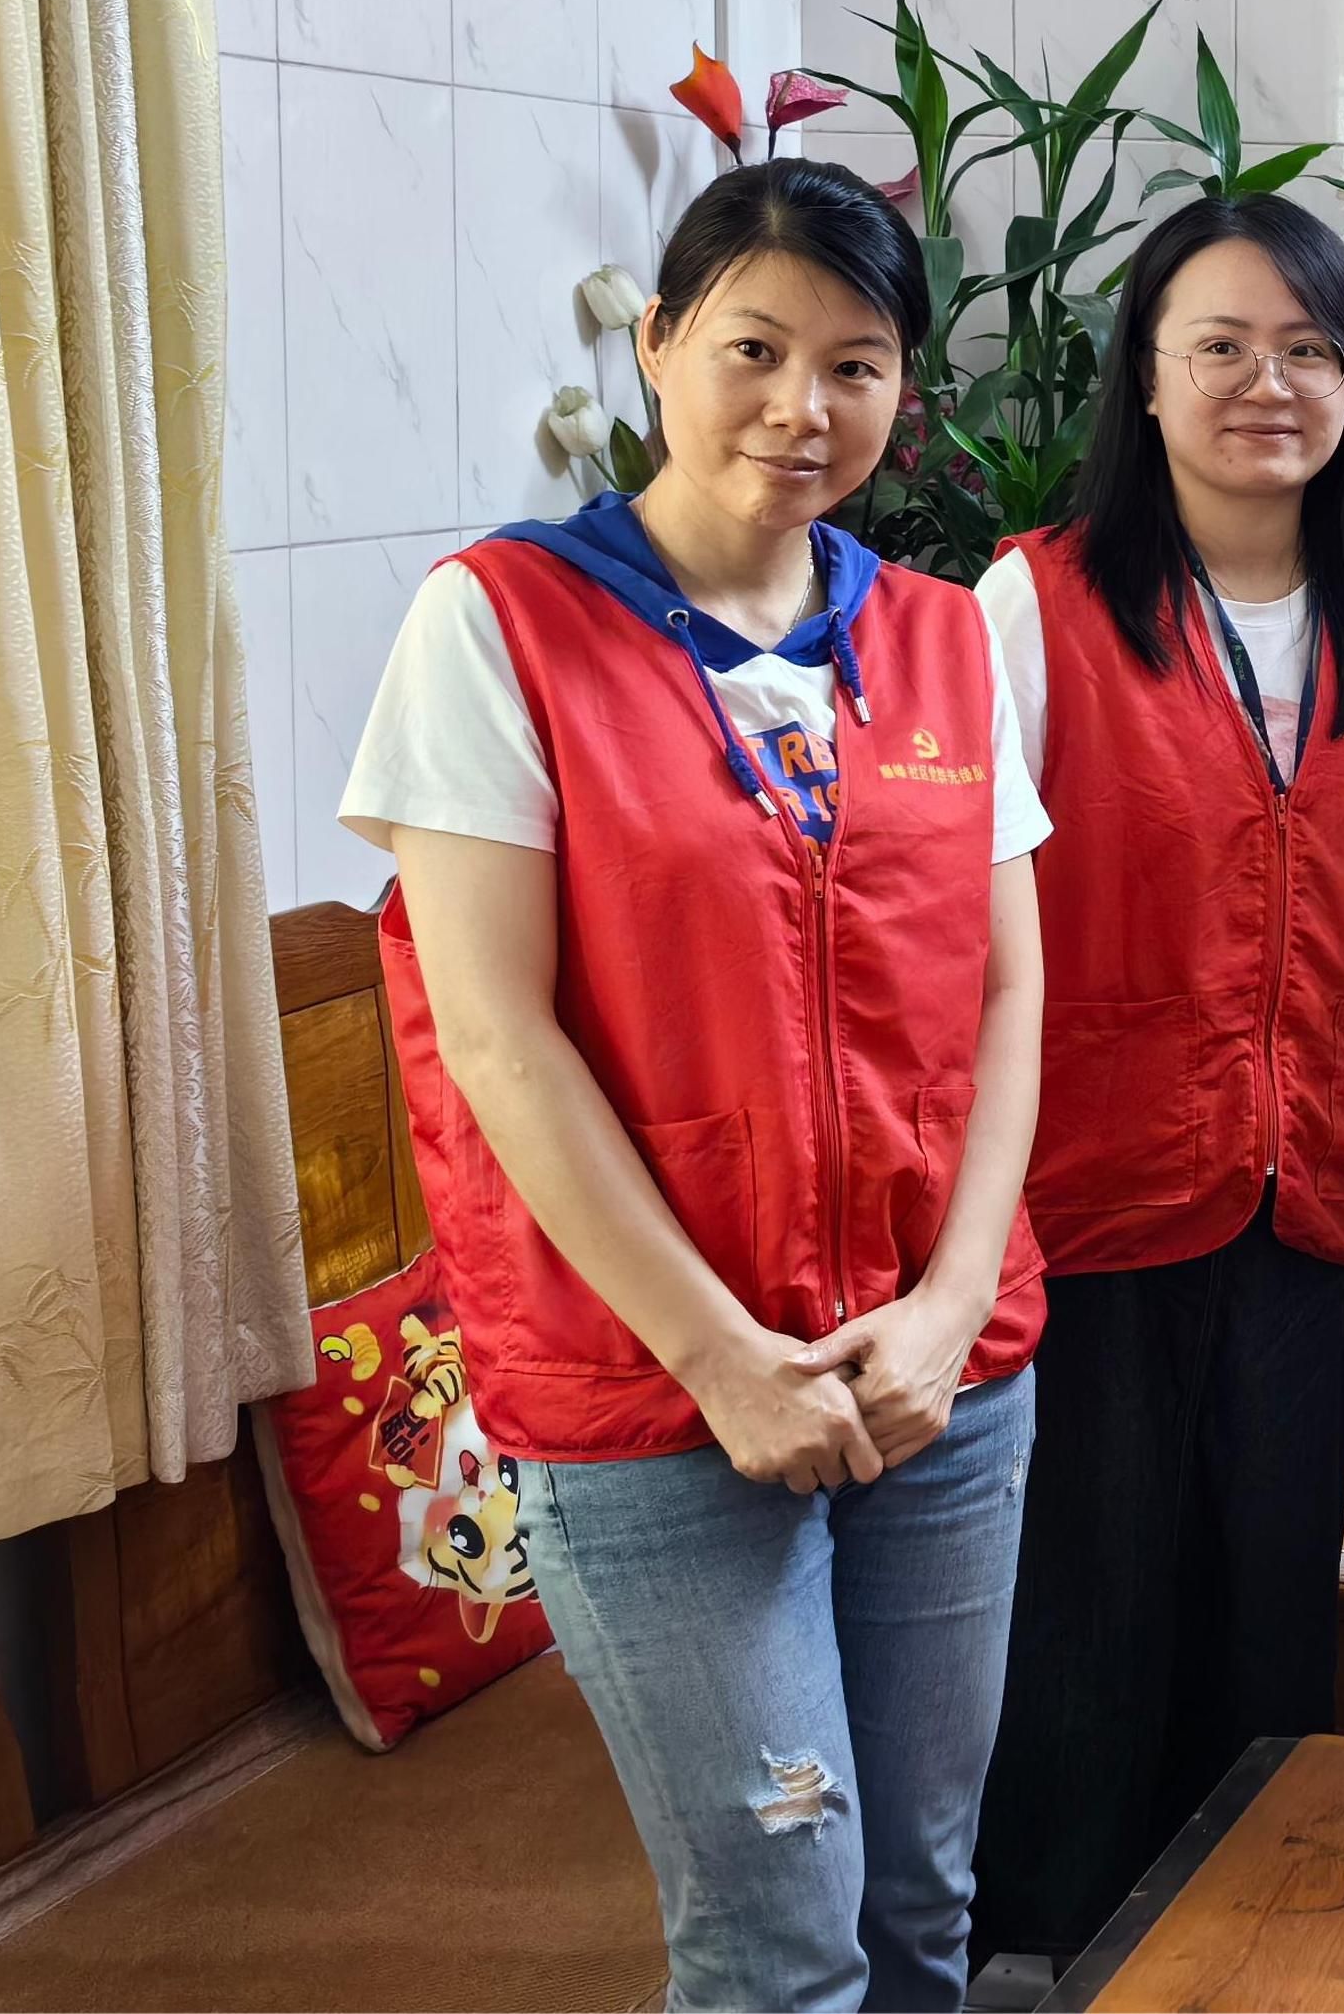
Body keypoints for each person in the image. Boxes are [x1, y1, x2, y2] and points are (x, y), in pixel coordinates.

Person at [342, 160, 1050, 2012]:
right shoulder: (500, 623)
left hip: (938, 1382)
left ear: (904, 392)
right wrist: (723, 1359)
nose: (801, 407)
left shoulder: (937, 637)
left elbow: (1010, 988)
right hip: (653, 1395)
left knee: (922, 1906)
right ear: (656, 343)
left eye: (856, 364)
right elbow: (498, 1037)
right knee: (779, 1938)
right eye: (753, 348)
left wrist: (953, 1311)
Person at [964, 194, 1344, 1963]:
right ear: (1147, 379)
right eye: (1221, 345)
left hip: (1307, 1194)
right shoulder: (1032, 602)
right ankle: (1051, 1959)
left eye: (1310, 349)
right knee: (1084, 1617)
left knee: (1267, 1617)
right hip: (1084, 1200)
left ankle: (1245, 1955)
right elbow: (962, 925)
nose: (1268, 383)